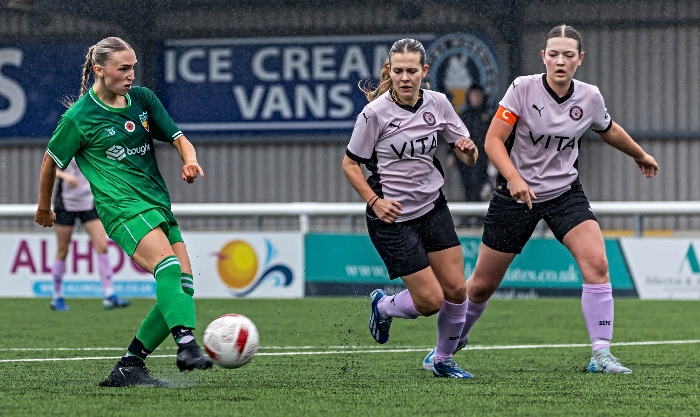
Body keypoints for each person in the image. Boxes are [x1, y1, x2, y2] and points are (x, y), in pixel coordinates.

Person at [422, 25, 659, 375]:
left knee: (597, 262)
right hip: (514, 197)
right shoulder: (522, 88)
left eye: (568, 55)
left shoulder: (589, 96)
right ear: (543, 57)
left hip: (565, 194)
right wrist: (515, 178)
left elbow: (607, 128)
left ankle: (601, 354)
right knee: (483, 285)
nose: (560, 61)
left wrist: (640, 155)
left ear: (580, 59)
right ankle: (447, 346)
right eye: (553, 53)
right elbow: (492, 141)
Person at [35, 37, 212, 387]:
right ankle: (186, 342)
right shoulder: (79, 117)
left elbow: (178, 137)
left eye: (133, 67)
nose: (131, 75)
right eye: (123, 68)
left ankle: (131, 364)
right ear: (100, 71)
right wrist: (44, 207)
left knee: (184, 286)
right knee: (169, 267)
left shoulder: (143, 100)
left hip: (156, 204)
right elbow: (49, 162)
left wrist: (190, 160)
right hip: (120, 208)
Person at [342, 38, 479, 378]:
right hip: (392, 217)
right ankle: (383, 306)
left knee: (457, 290)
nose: (405, 77)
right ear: (389, 71)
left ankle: (442, 360)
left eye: (412, 71)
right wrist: (375, 201)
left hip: (432, 207)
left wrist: (468, 150)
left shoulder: (439, 103)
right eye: (398, 71)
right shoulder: (374, 114)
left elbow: (467, 153)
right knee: (431, 301)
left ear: (424, 71)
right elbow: (349, 164)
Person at [50, 158, 131, 311]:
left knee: (102, 246)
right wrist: (65, 176)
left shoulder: (93, 143)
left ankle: (109, 295)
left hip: (89, 201)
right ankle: (57, 296)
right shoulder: (64, 143)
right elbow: (48, 167)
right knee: (62, 249)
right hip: (65, 203)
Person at [447, 84, 493, 227]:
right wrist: (451, 154)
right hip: (465, 160)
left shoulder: (488, 116)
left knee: (481, 187)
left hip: (483, 159)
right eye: (473, 95)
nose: (475, 98)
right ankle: (467, 218)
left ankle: (479, 218)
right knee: (467, 186)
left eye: (478, 95)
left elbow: (495, 138)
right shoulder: (464, 115)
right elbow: (454, 136)